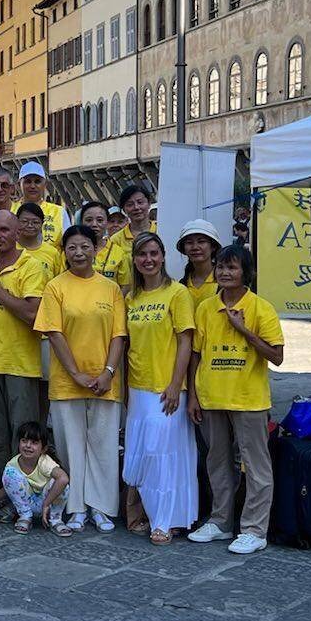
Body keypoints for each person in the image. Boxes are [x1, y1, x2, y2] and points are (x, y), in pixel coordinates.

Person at [187, 244, 285, 555]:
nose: (225, 273)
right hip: (212, 397)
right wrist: (193, 395)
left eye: (232, 267)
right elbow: (196, 355)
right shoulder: (206, 308)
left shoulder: (261, 308)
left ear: (246, 272)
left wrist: (244, 330)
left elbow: (277, 356)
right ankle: (221, 522)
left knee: (256, 466)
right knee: (217, 462)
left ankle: (255, 530)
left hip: (248, 400)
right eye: (221, 267)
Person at [35, 224, 127, 532]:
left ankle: (100, 508)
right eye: (72, 247)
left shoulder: (110, 288)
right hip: (66, 383)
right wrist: (76, 374)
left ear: (96, 248)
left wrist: (108, 373)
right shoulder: (55, 287)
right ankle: (75, 507)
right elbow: (54, 332)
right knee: (71, 447)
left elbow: (118, 335)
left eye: (85, 246)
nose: (79, 252)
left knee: (103, 446)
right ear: (64, 251)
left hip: (105, 382)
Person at [122, 232, 198, 545]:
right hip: (137, 388)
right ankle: (146, 514)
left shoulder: (177, 293)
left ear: (163, 256)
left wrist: (175, 384)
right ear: (134, 260)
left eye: (154, 253)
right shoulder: (131, 298)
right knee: (141, 457)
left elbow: (185, 341)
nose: (148, 260)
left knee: (163, 457)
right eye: (142, 254)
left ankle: (164, 521)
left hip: (166, 390)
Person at [0, 210, 47, 509]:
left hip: (20, 365)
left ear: (17, 233)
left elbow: (32, 314)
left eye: (5, 230)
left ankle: (26, 501)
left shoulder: (31, 266)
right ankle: (5, 498)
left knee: (23, 438)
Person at [0, 421, 72, 536]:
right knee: (10, 473)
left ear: (43, 449)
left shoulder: (45, 461)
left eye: (34, 442)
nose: (28, 445)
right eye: (24, 440)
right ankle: (25, 517)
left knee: (61, 484)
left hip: (48, 503)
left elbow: (63, 479)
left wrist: (46, 504)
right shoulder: (13, 464)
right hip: (27, 504)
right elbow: (9, 487)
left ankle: (55, 520)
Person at [96, 184, 155, 294]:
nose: (136, 207)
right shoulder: (116, 240)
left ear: (149, 203)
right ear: (124, 209)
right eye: (130, 204)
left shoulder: (163, 230)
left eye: (140, 202)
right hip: (128, 297)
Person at [17, 162, 71, 244]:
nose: (32, 186)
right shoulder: (10, 211)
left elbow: (69, 243)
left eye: (37, 181)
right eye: (28, 181)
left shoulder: (59, 212)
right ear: (18, 185)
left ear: (45, 184)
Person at [177, 219, 221, 308]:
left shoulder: (224, 281)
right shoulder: (182, 285)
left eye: (201, 242)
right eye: (189, 243)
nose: (195, 247)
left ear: (213, 246)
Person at [16, 202, 61, 285]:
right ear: (16, 222)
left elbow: (58, 281)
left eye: (35, 222)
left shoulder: (52, 253)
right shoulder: (10, 249)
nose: (30, 225)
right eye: (25, 221)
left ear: (42, 224)